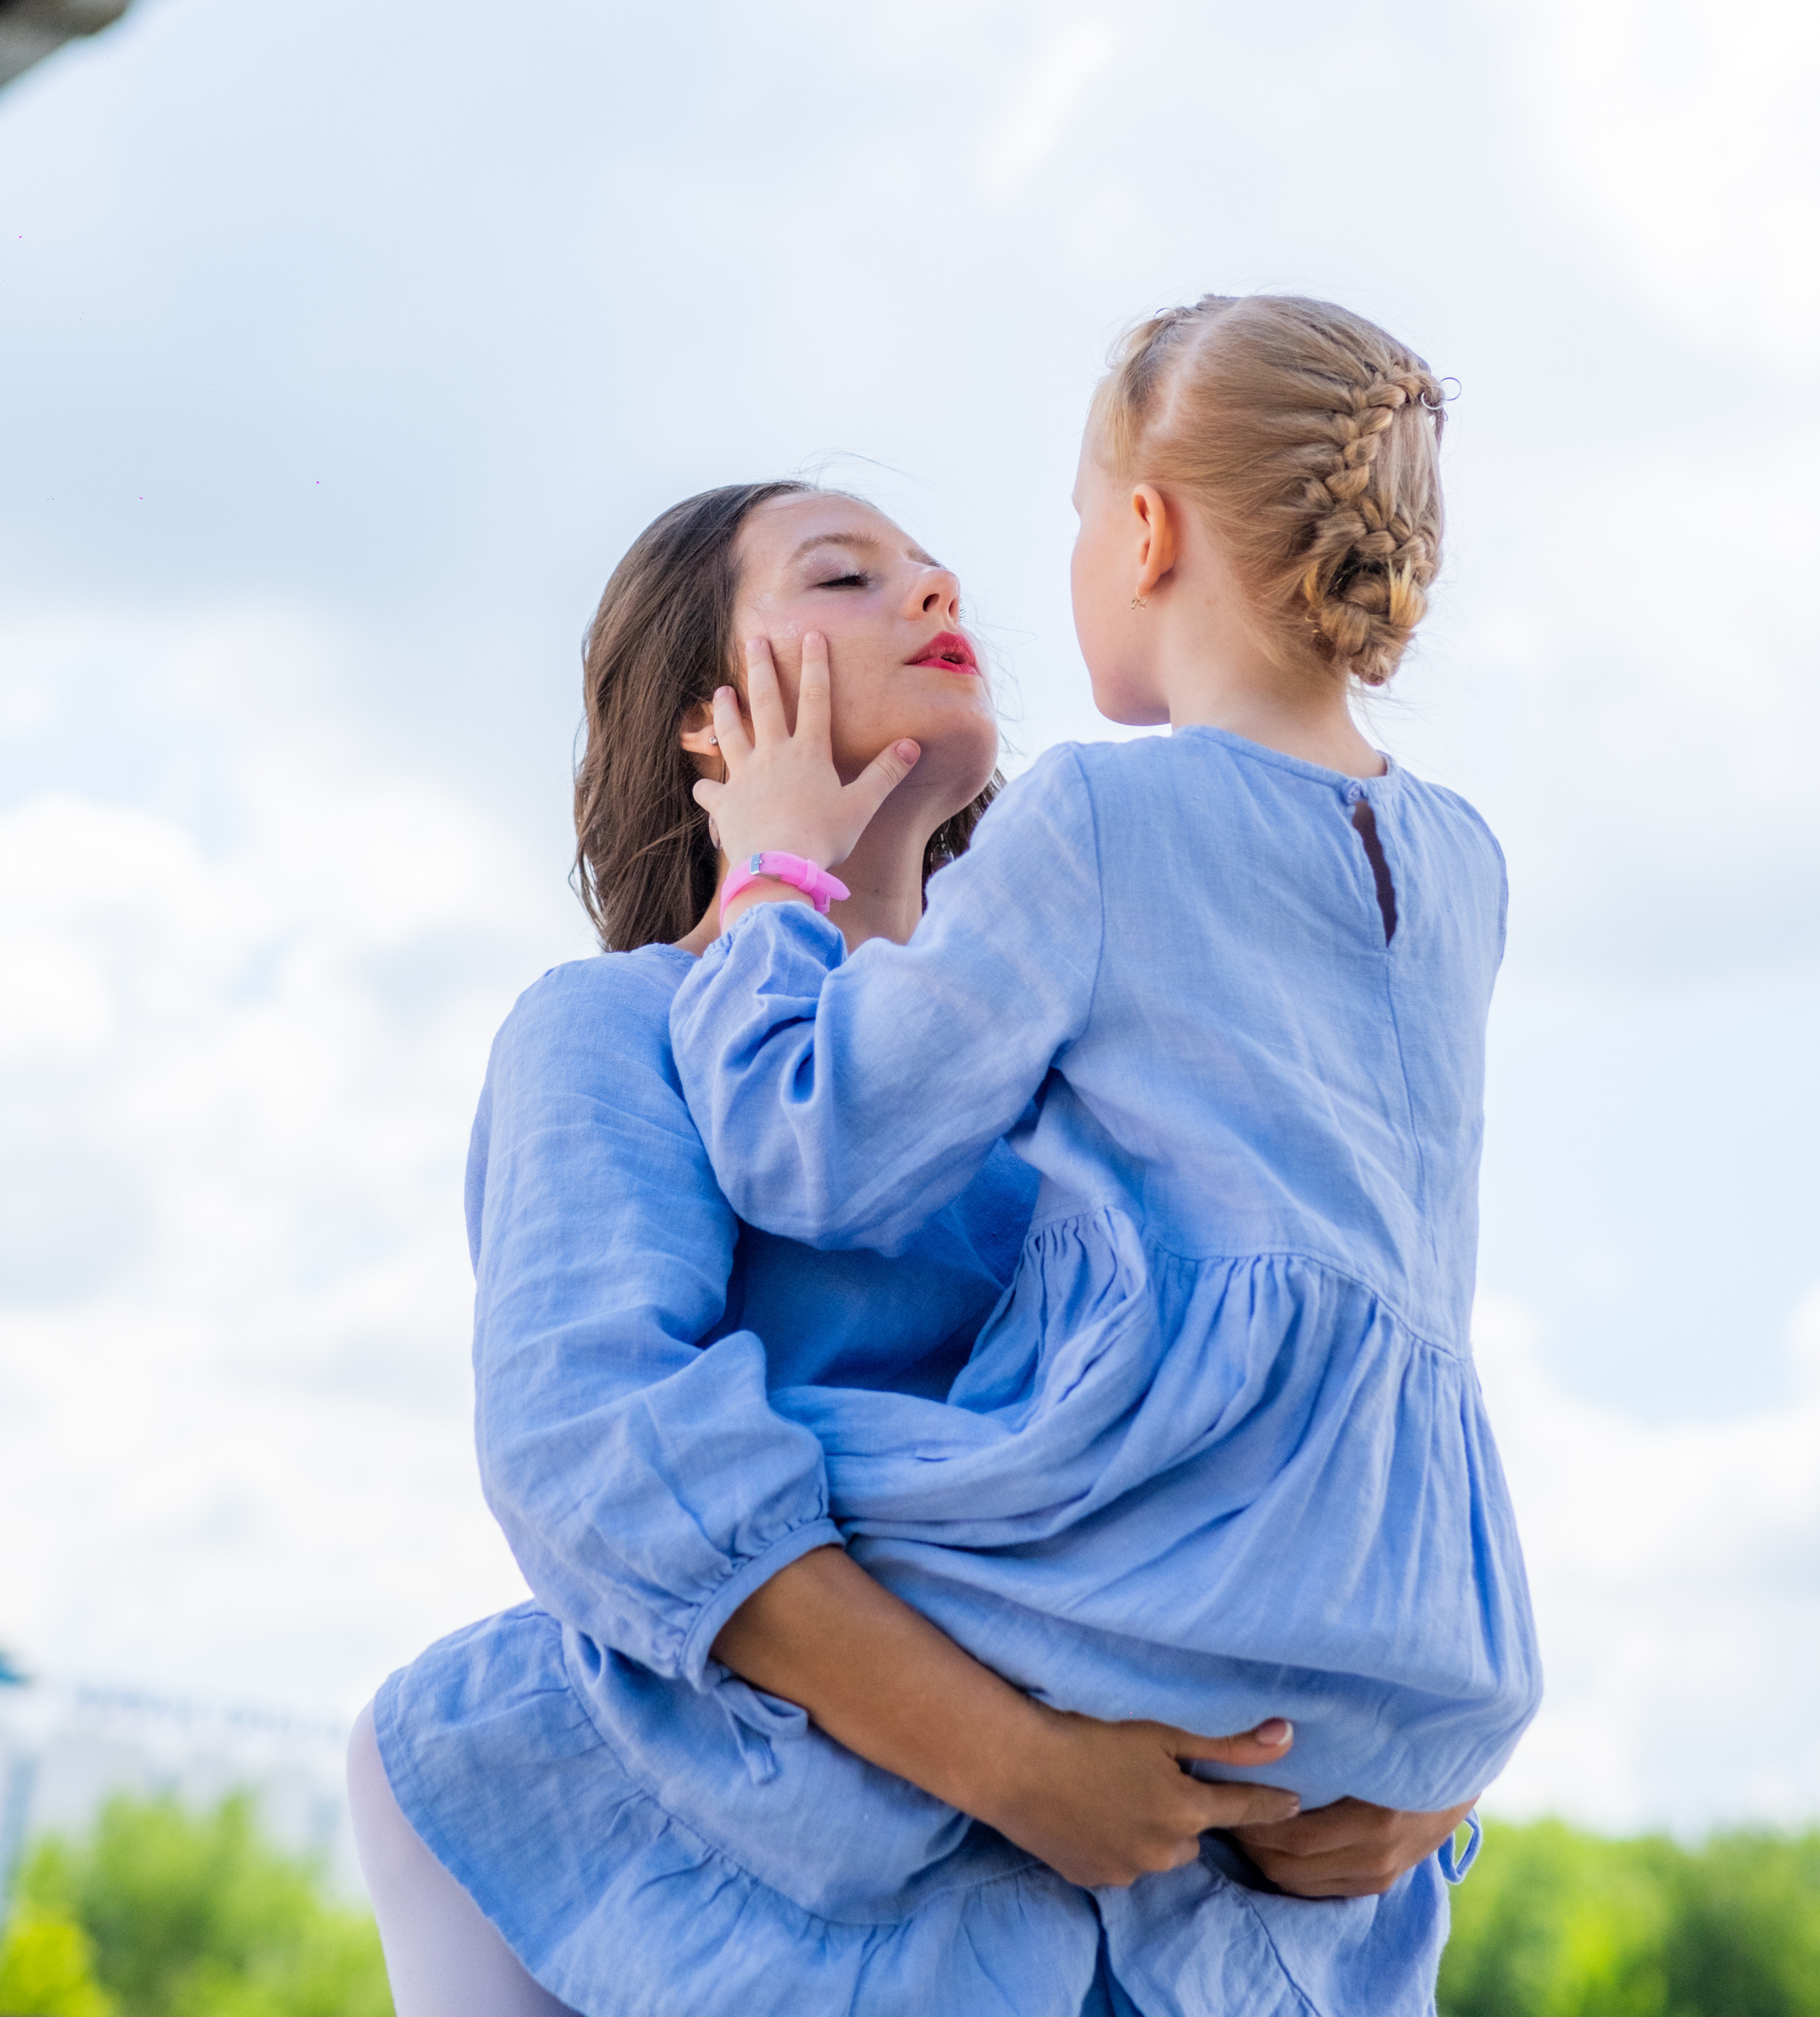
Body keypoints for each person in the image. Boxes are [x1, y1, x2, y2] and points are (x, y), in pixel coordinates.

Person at [349, 478, 1456, 2017]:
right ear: (706, 718)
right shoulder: (616, 1033)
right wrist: (1015, 1766)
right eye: (846, 576)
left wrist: (1422, 1786)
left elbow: (1325, 1424)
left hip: (1183, 1941)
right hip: (815, 1918)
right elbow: (595, 1446)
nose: (937, 597)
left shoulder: (1109, 1076)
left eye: (937, 574)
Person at [671, 297, 1543, 2016]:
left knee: (715, 1538)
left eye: (1079, 515)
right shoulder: (1463, 861)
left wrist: (774, 879)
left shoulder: (1093, 816)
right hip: (1420, 1629)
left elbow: (815, 1153)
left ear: (1143, 533)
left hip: (1170, 1541)